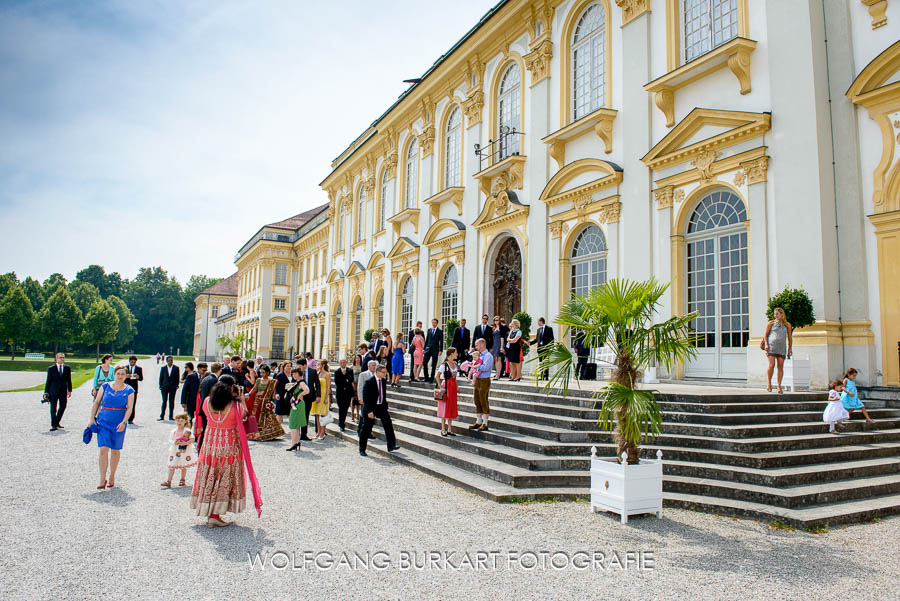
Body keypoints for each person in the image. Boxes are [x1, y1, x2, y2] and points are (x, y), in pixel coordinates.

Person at [190, 375, 262, 527]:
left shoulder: (207, 402)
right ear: (231, 388)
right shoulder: (235, 406)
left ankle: (209, 511)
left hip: (210, 444)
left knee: (211, 475)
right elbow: (244, 417)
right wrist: (241, 399)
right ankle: (215, 515)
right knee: (223, 478)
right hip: (228, 444)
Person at [87, 365, 134, 489]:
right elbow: (97, 402)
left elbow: (129, 408)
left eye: (122, 374)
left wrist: (124, 422)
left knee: (115, 450)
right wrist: (92, 418)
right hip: (103, 421)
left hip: (118, 422)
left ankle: (112, 475)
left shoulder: (129, 390)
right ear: (114, 374)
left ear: (126, 376)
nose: (120, 376)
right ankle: (102, 478)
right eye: (118, 374)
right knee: (103, 449)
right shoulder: (105, 386)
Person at [358, 365, 399, 456]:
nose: (385, 374)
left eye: (385, 372)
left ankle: (391, 445)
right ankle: (362, 449)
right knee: (366, 428)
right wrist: (369, 411)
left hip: (381, 407)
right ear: (377, 372)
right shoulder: (369, 382)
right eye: (383, 372)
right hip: (370, 407)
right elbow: (366, 397)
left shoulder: (383, 381)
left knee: (388, 424)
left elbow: (383, 394)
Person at [249, 364, 284, 441]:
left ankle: (267, 433)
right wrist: (248, 394)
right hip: (257, 401)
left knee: (266, 417)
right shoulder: (258, 380)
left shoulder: (272, 381)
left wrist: (276, 397)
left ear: (268, 373)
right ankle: (255, 433)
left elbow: (274, 392)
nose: (262, 374)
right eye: (260, 372)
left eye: (263, 373)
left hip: (266, 401)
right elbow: (255, 389)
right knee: (256, 416)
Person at [161, 413, 196, 487]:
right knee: (172, 465)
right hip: (175, 450)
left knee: (183, 465)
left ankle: (182, 479)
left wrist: (186, 442)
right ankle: (169, 481)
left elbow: (192, 439)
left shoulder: (187, 430)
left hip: (184, 450)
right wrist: (174, 442)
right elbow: (170, 440)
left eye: (181, 421)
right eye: (177, 421)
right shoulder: (173, 431)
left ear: (185, 421)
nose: (179, 422)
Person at [763, 307, 793, 394]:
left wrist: (790, 348)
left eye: (777, 314)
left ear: (782, 314)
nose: (775, 315)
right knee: (771, 365)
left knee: (780, 366)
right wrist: (766, 344)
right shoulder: (771, 323)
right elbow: (765, 335)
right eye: (775, 314)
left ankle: (779, 386)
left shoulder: (787, 325)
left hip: (782, 347)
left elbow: (790, 338)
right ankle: (769, 383)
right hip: (772, 346)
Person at [44, 352, 72, 431]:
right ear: (56, 358)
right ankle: (54, 425)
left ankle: (57, 421)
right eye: (60, 357)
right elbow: (48, 381)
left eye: (63, 357)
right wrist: (46, 392)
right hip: (53, 391)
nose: (62, 359)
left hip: (63, 390)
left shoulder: (67, 368)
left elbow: (69, 380)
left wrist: (69, 390)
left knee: (63, 406)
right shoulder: (51, 368)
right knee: (53, 408)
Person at [469, 338, 493, 431]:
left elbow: (486, 367)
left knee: (483, 400)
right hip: (478, 379)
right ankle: (478, 421)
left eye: (477, 345)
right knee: (477, 400)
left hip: (484, 379)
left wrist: (476, 366)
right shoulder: (478, 355)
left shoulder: (488, 355)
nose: (475, 347)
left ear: (482, 345)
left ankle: (485, 423)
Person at [285, 367, 309, 451]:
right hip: (298, 404)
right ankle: (296, 442)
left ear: (299, 373)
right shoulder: (297, 382)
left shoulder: (301, 382)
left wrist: (300, 395)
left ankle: (294, 443)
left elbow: (307, 390)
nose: (294, 375)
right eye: (293, 373)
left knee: (293, 424)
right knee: (297, 424)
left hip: (298, 404)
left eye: (295, 373)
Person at [436, 347, 459, 436]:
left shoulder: (455, 364)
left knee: (451, 407)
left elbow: (454, 378)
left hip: (452, 388)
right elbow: (437, 376)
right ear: (452, 353)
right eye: (456, 352)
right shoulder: (444, 365)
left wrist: (457, 387)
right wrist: (441, 386)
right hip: (447, 387)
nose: (457, 354)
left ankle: (449, 428)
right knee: (444, 407)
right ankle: (443, 428)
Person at [299, 358, 320, 441]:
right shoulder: (298, 372)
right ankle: (298, 433)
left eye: (300, 366)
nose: (299, 368)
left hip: (309, 396)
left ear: (305, 365)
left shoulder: (312, 371)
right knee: (300, 414)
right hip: (300, 396)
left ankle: (304, 434)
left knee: (306, 415)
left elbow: (317, 384)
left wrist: (318, 395)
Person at [310, 360, 331, 440]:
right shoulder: (317, 373)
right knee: (317, 415)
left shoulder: (327, 374)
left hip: (324, 394)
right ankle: (318, 432)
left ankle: (322, 432)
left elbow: (328, 387)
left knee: (323, 414)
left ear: (322, 365)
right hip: (317, 395)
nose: (317, 365)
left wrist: (326, 398)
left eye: (318, 364)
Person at [334, 358, 355, 432]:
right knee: (341, 409)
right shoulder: (337, 371)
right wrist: (343, 377)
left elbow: (351, 380)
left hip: (347, 393)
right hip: (340, 393)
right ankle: (341, 424)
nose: (343, 364)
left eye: (344, 362)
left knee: (345, 409)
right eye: (341, 362)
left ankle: (342, 422)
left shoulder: (350, 371)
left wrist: (345, 374)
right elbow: (337, 383)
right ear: (339, 364)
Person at [158, 356, 180, 421]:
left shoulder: (176, 368)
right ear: (167, 361)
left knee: (171, 401)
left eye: (171, 360)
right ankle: (162, 416)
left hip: (172, 387)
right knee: (164, 401)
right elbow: (161, 377)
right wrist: (161, 386)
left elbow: (177, 378)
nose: (170, 361)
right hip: (164, 387)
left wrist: (176, 385)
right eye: (169, 360)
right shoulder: (163, 368)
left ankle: (171, 416)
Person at [124, 356, 143, 424]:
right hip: (125, 387)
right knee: (124, 403)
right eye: (132, 362)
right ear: (129, 361)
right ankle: (124, 417)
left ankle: (131, 419)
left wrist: (138, 377)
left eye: (134, 362)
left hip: (134, 388)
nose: (133, 363)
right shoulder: (124, 368)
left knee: (132, 404)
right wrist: (126, 376)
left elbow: (141, 378)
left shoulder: (139, 369)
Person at [423, 319, 443, 383]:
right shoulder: (429, 330)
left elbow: (441, 341)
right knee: (424, 362)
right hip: (428, 349)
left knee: (434, 365)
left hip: (435, 350)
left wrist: (440, 350)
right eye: (432, 322)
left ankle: (431, 379)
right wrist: (424, 348)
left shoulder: (440, 331)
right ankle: (426, 377)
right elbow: (427, 340)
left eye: (434, 323)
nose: (433, 324)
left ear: (437, 323)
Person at [350, 351, 363, 424]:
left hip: (360, 384)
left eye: (359, 358)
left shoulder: (362, 366)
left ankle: (358, 414)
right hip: (354, 384)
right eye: (356, 358)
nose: (357, 359)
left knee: (358, 400)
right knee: (353, 400)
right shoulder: (352, 367)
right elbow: (350, 377)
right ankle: (352, 414)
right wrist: (352, 384)